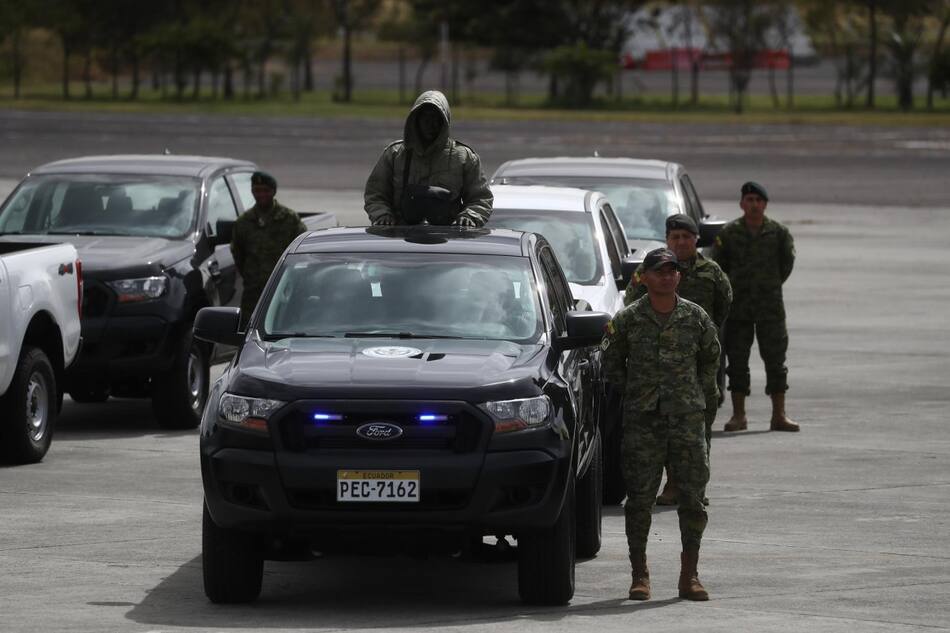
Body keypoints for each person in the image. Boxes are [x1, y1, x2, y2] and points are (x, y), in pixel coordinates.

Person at [602, 247, 720, 602]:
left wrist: (697, 399)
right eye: (660, 270)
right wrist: (635, 393)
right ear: (646, 277)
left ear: (679, 277)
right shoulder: (628, 319)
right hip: (643, 422)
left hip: (686, 421)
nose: (668, 275)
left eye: (673, 270)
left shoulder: (695, 317)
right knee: (639, 500)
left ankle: (690, 575)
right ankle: (640, 574)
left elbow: (710, 360)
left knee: (693, 499)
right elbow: (610, 360)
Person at [625, 214, 732, 506]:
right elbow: (632, 302)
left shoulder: (712, 272)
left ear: (696, 239)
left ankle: (695, 485)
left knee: (699, 426)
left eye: (687, 237)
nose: (681, 242)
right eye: (675, 237)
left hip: (697, 362)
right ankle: (672, 483)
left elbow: (723, 307)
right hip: (658, 365)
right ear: (667, 240)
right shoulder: (652, 270)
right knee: (666, 425)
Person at [711, 182, 798, 432]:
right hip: (738, 309)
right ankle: (739, 415)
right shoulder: (728, 234)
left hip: (770, 309)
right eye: (749, 200)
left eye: (758, 200)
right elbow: (720, 266)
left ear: (765, 204)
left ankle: (779, 414)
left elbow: (786, 265)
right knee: (737, 362)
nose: (754, 205)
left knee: (776, 360)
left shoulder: (779, 233)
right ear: (741, 204)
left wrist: (767, 285)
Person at [364, 90, 493, 227]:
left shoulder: (464, 157)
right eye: (425, 118)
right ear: (416, 120)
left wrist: (469, 217)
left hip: (448, 240)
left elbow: (480, 197)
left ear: (444, 121)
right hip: (401, 237)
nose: (430, 124)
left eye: (436, 118)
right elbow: (375, 193)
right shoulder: (395, 154)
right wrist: (383, 215)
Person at [230, 171, 307, 327]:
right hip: (253, 293)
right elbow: (238, 254)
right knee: (248, 330)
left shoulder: (289, 219)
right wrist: (251, 276)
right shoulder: (244, 222)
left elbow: (302, 251)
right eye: (257, 190)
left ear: (273, 191)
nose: (261, 195)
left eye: (265, 190)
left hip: (283, 290)